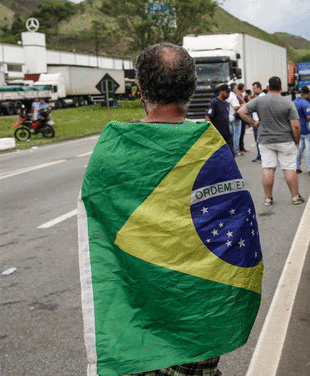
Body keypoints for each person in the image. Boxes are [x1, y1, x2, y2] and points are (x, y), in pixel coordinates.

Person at [92, 42, 260, 376]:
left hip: (138, 313)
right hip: (200, 313)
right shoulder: (211, 147)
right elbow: (237, 230)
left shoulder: (114, 151)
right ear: (192, 89)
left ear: (141, 92)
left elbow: (99, 235)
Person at [238, 76, 305, 206]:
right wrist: (296, 141)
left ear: (268, 88)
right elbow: (296, 126)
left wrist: (254, 123)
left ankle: (268, 198)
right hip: (285, 140)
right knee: (289, 169)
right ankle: (295, 197)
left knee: (268, 168)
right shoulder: (287, 103)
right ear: (281, 88)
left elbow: (241, 111)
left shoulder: (259, 101)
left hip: (265, 140)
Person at [294, 86, 310, 175]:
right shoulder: (305, 103)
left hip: (298, 129)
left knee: (299, 149)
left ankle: (296, 167)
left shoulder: (295, 102)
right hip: (308, 129)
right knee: (309, 150)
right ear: (306, 94)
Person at [205, 84, 234, 153]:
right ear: (222, 92)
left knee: (231, 154)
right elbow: (208, 116)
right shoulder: (215, 102)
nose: (228, 94)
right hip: (218, 134)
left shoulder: (226, 104)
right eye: (227, 92)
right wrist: (210, 130)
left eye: (229, 93)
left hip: (227, 133)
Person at [250, 81, 265, 163]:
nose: (253, 90)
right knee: (258, 140)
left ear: (259, 88)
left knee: (259, 140)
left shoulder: (261, 98)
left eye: (254, 88)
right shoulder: (259, 97)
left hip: (258, 123)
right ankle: (260, 156)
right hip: (256, 121)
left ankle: (260, 156)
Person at [228, 83, 243, 155]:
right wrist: (241, 106)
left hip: (228, 117)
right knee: (236, 134)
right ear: (234, 89)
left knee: (230, 135)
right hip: (235, 117)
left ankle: (230, 150)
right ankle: (236, 150)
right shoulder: (233, 96)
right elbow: (235, 107)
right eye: (236, 88)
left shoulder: (228, 95)